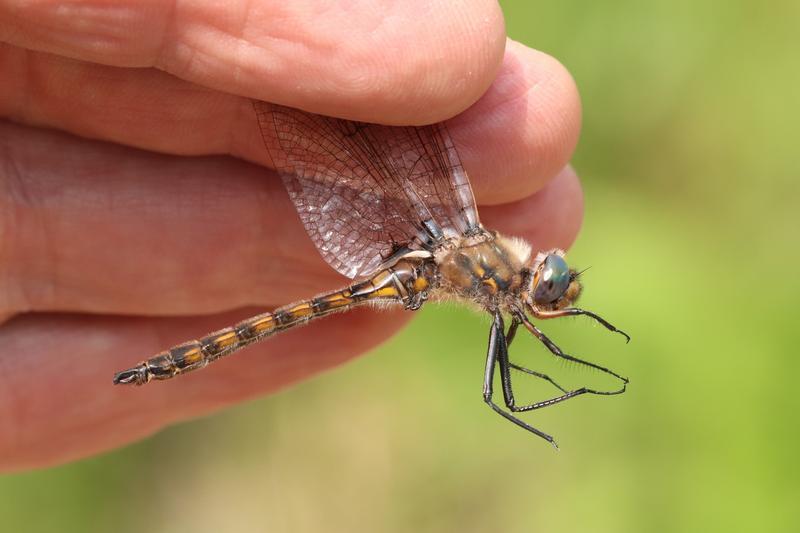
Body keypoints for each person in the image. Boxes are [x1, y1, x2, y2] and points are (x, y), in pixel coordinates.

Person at [0, 0, 584, 471]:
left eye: (553, 286)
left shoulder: (492, 276)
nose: (552, 288)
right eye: (553, 283)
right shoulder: (489, 269)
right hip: (421, 259)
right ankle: (169, 363)